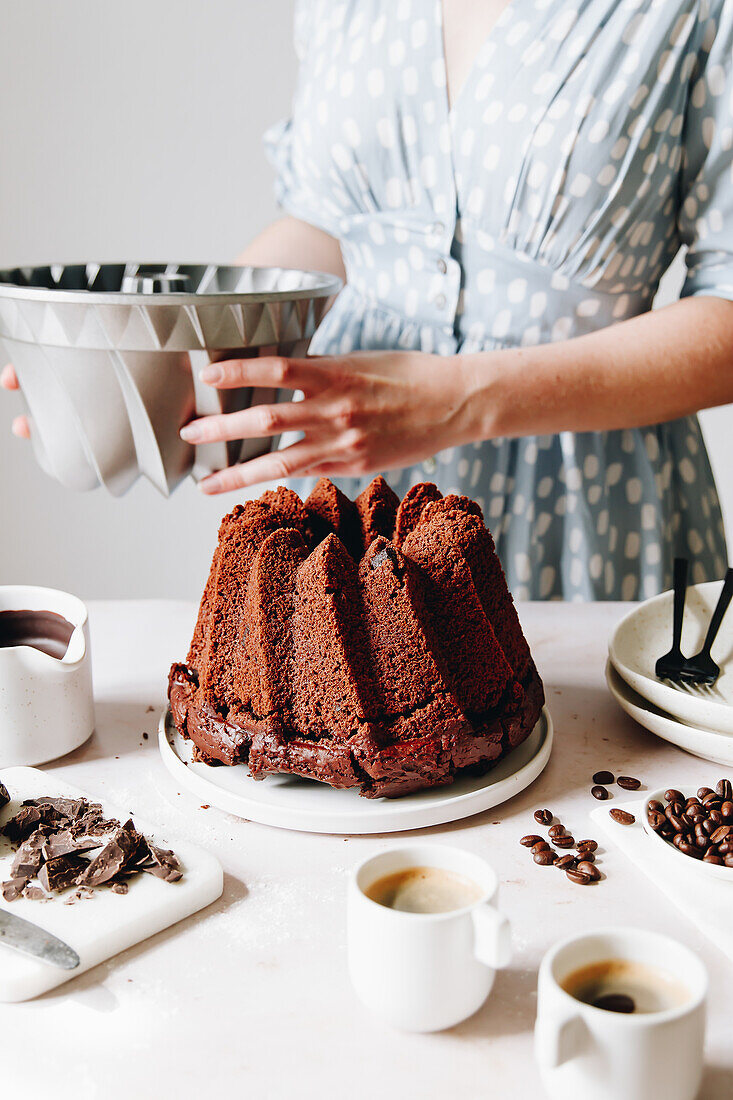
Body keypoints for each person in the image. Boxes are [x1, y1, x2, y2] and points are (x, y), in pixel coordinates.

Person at [4, 0, 733, 599]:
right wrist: (154, 352)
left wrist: (457, 399)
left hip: (586, 502)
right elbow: (335, 227)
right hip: (358, 482)